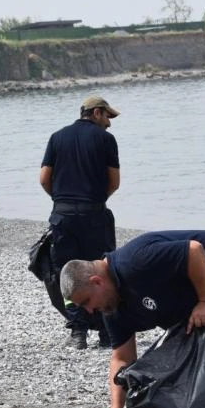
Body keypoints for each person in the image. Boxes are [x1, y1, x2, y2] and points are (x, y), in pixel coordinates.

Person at [59, 230, 205, 408]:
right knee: (185, 347)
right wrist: (116, 406)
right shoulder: (112, 309)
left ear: (97, 281)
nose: (89, 311)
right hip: (192, 290)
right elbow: (122, 358)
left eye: (86, 301)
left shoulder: (135, 261)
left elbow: (194, 250)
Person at [39, 95, 121, 350]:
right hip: (94, 214)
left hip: (62, 216)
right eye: (108, 116)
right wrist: (96, 200)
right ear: (96, 113)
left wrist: (61, 200)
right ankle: (108, 333)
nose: (109, 123)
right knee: (101, 271)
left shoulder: (57, 137)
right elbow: (114, 181)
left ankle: (78, 333)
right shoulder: (106, 140)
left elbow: (44, 178)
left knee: (68, 273)